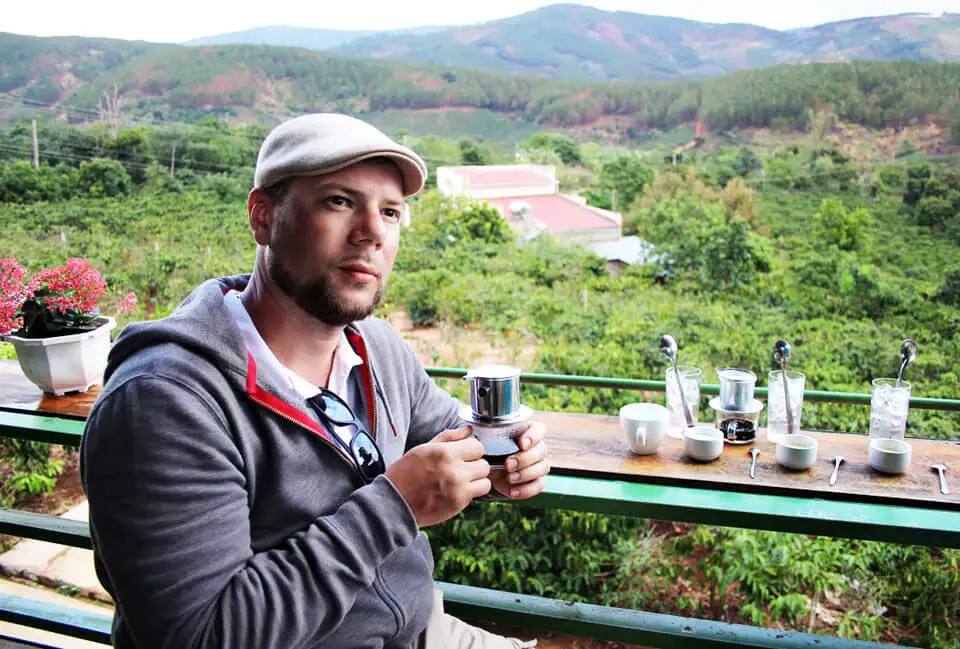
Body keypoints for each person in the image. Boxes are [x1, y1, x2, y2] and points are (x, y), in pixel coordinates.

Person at [80, 113, 550, 649]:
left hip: (420, 631)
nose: (372, 232)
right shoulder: (163, 402)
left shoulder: (376, 347)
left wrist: (510, 455)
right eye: (339, 201)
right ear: (263, 217)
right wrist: (395, 506)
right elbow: (201, 635)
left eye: (390, 211)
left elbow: (454, 438)